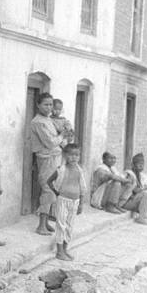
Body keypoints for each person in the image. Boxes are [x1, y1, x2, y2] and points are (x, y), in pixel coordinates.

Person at [30, 91, 66, 235]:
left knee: (53, 189)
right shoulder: (38, 122)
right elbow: (50, 142)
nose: (49, 107)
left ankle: (45, 223)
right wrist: (62, 135)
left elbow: (58, 138)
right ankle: (41, 226)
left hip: (55, 158)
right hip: (46, 159)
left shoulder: (48, 120)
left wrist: (62, 136)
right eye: (45, 104)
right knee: (47, 189)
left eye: (51, 104)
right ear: (38, 105)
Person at [47, 143, 87, 261]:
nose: (74, 158)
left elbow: (82, 187)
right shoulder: (61, 169)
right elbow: (49, 181)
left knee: (70, 226)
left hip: (75, 201)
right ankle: (59, 252)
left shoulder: (79, 170)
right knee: (61, 225)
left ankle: (65, 249)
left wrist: (81, 203)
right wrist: (56, 192)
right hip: (63, 200)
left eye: (77, 155)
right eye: (71, 155)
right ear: (65, 155)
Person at [123, 152, 147, 225]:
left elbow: (144, 188)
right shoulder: (129, 175)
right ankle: (142, 218)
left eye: (142, 164)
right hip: (126, 203)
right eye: (139, 164)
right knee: (145, 193)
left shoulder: (141, 175)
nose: (141, 166)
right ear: (133, 165)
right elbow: (135, 191)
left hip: (136, 201)